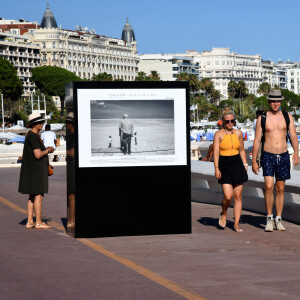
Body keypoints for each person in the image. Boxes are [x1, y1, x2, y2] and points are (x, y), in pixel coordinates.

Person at [252, 90, 299, 232]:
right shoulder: (263, 118)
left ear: (281, 102)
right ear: (268, 102)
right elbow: (257, 139)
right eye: (272, 101)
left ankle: (278, 219)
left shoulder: (287, 117)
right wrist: (254, 160)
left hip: (284, 155)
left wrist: (296, 153)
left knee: (280, 188)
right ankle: (269, 218)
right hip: (268, 155)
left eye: (277, 100)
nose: (275, 103)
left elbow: (293, 136)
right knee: (268, 186)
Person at [213, 108, 248, 232]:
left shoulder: (238, 133)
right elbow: (216, 152)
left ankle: (236, 224)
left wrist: (245, 164)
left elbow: (242, 150)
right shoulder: (219, 134)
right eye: (227, 121)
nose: (230, 123)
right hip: (224, 165)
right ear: (223, 121)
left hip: (237, 164)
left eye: (232, 121)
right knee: (228, 196)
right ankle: (223, 213)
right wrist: (216, 168)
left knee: (238, 196)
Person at [18, 113, 54, 229]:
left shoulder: (30, 135)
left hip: (31, 171)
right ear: (34, 124)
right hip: (36, 171)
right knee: (38, 196)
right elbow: (38, 155)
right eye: (40, 122)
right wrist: (48, 150)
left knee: (32, 196)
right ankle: (38, 222)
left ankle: (29, 221)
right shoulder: (33, 136)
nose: (42, 124)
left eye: (42, 122)